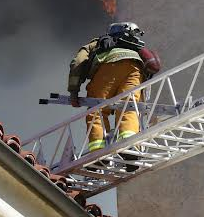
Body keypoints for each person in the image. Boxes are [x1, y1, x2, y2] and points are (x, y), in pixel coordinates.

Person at [68, 21, 161, 154]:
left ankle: (98, 150)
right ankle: (130, 146)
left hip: (108, 68)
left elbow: (78, 62)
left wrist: (73, 91)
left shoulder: (99, 42)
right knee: (129, 107)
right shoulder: (135, 47)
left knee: (97, 110)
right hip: (134, 71)